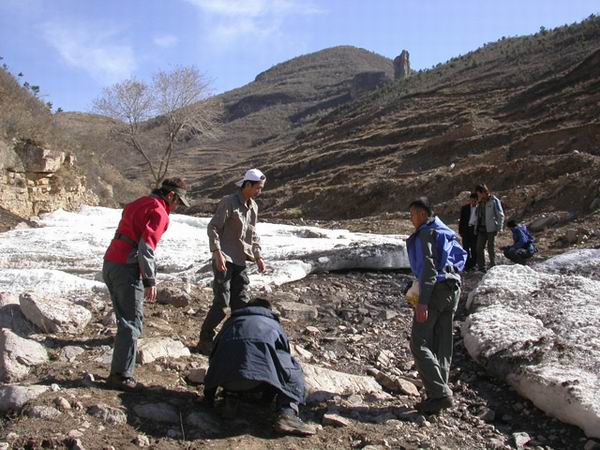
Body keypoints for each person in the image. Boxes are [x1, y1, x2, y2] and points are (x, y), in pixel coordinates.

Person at [103, 178, 190, 390]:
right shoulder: (159, 212)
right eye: (178, 202)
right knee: (132, 322)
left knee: (124, 319)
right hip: (127, 267)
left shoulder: (138, 203)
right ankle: (121, 376)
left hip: (111, 261)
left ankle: (119, 370)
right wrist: (150, 280)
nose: (177, 207)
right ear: (170, 196)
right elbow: (146, 247)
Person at [203, 298, 316, 437]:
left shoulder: (231, 322)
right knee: (292, 366)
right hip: (258, 381)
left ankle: (231, 398)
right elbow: (285, 354)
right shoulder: (273, 324)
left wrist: (208, 396)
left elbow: (214, 355)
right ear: (268, 310)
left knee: (233, 356)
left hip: (226, 380)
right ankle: (287, 414)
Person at [406, 197, 467, 414]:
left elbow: (429, 268)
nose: (411, 219)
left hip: (436, 290)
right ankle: (438, 393)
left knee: (419, 342)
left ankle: (440, 394)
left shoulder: (426, 233)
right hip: (453, 288)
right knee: (442, 343)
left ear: (423, 214)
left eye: (413, 214)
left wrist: (423, 302)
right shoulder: (445, 231)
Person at [197, 169, 266, 355]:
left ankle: (234, 339)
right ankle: (205, 339)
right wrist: (216, 252)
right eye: (258, 188)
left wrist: (258, 256)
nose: (259, 191)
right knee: (221, 303)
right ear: (247, 185)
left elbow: (253, 235)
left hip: (240, 260)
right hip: (224, 259)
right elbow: (213, 227)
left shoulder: (254, 207)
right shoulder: (229, 202)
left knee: (241, 304)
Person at [474, 184, 505, 272]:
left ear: (483, 192)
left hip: (491, 228)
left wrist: (499, 227)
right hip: (481, 228)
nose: (478, 195)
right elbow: (477, 215)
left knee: (491, 248)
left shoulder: (494, 201)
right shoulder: (479, 202)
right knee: (479, 248)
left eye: (479, 193)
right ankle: (481, 268)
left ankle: (493, 266)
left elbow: (500, 215)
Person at [458, 192, 478, 271]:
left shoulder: (479, 209)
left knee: (474, 248)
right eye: (472, 200)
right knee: (465, 248)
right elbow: (462, 220)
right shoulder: (465, 208)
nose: (473, 202)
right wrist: (460, 231)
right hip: (466, 230)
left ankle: (473, 265)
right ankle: (466, 265)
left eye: (475, 201)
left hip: (474, 230)